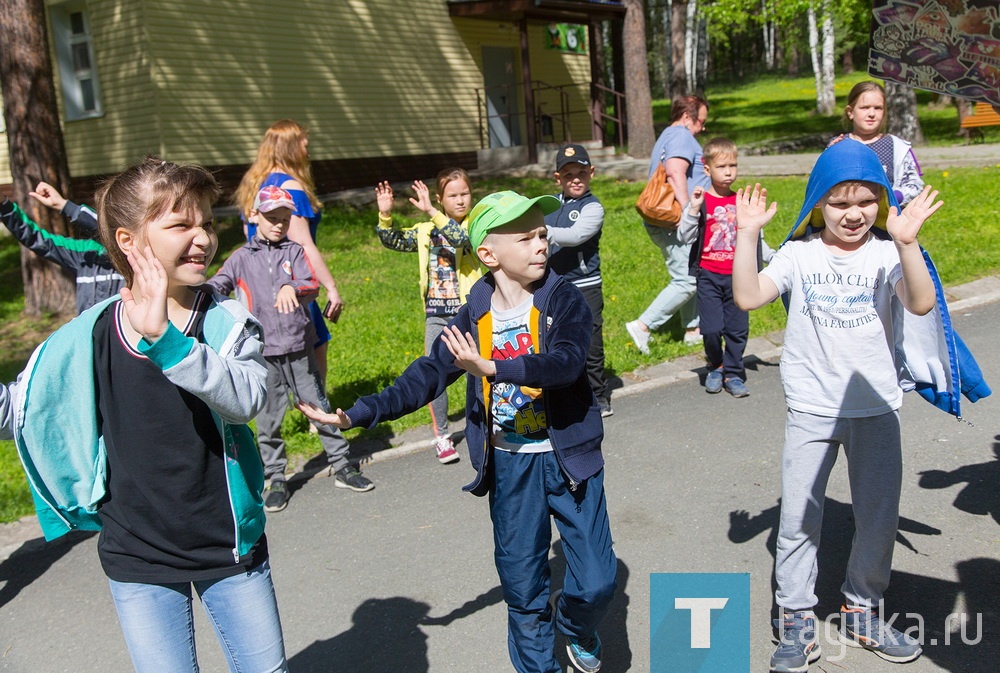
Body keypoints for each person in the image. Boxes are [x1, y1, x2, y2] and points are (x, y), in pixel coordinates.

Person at [298, 191, 618, 673]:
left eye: (542, 233)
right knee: (522, 586)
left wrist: (493, 366)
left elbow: (568, 362)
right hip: (511, 466)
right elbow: (426, 375)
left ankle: (574, 626)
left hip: (568, 458)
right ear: (488, 254)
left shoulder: (564, 299)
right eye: (525, 236)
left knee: (596, 582)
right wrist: (356, 415)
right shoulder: (475, 312)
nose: (541, 243)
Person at [0, 157, 287, 672]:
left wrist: (167, 343)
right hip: (137, 556)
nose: (201, 238)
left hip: (229, 548)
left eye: (205, 223)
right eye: (180, 225)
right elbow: (20, 411)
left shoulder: (226, 321)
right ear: (129, 241)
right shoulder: (90, 334)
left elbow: (247, 399)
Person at [732, 140, 946, 672]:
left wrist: (907, 244)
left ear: (881, 202)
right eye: (839, 202)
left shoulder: (885, 252)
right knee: (800, 519)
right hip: (811, 407)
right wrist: (747, 232)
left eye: (866, 201)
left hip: (875, 407)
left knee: (876, 516)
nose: (853, 214)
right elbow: (749, 296)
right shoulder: (800, 254)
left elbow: (920, 303)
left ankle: (862, 608)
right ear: (816, 204)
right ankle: (796, 619)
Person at [208, 185, 373, 511]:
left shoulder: (294, 252)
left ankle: (341, 465)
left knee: (319, 406)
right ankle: (277, 478)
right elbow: (216, 287)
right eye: (272, 218)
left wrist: (290, 286)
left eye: (284, 219)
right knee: (268, 418)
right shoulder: (241, 258)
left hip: (298, 346)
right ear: (255, 216)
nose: (278, 224)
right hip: (263, 353)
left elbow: (310, 283)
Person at [374, 168, 482, 464]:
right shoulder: (425, 231)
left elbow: (460, 239)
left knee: (479, 371)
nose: (461, 201)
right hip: (436, 315)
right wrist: (385, 215)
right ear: (440, 197)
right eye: (453, 195)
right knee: (435, 375)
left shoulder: (476, 225)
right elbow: (392, 240)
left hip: (469, 313)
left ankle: (486, 424)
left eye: (465, 194)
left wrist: (433, 211)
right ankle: (443, 437)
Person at [234, 119, 344, 384]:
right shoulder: (289, 187)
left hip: (257, 278)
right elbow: (303, 243)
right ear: (291, 147)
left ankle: (275, 414)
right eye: (304, 144)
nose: (308, 150)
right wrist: (330, 287)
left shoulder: (254, 184)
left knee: (274, 345)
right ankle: (316, 415)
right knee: (315, 344)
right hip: (291, 279)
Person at [677, 137, 773, 398]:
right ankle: (716, 364)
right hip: (708, 274)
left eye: (733, 165)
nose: (729, 171)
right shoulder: (701, 201)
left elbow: (755, 236)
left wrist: (771, 257)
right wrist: (693, 210)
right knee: (710, 329)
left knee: (737, 329)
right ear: (707, 169)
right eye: (722, 166)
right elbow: (683, 237)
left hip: (739, 278)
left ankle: (732, 371)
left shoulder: (741, 201)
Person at [626, 94, 710, 354]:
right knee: (686, 280)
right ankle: (642, 326)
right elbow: (675, 173)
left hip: (665, 221)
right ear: (687, 117)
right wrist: (689, 214)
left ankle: (692, 330)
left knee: (690, 272)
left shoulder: (667, 135)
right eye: (701, 121)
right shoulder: (682, 136)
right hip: (674, 221)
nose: (703, 128)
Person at [544, 144, 613, 417]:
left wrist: (540, 230)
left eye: (581, 173)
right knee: (556, 340)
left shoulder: (592, 207)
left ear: (591, 173)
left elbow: (574, 235)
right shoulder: (549, 205)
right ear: (557, 178)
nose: (575, 179)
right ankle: (564, 393)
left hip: (586, 285)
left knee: (590, 343)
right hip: (554, 286)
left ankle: (598, 396)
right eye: (568, 174)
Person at [0, 195, 124, 314]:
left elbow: (108, 231)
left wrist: (64, 205)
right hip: (86, 333)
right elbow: (36, 239)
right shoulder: (83, 251)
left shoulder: (129, 252)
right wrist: (4, 205)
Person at [828, 81, 924, 206]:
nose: (872, 114)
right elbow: (821, 186)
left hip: (888, 220)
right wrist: (830, 155)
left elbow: (914, 184)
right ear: (850, 112)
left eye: (878, 108)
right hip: (847, 219)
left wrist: (895, 196)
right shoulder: (839, 145)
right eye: (865, 108)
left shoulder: (896, 146)